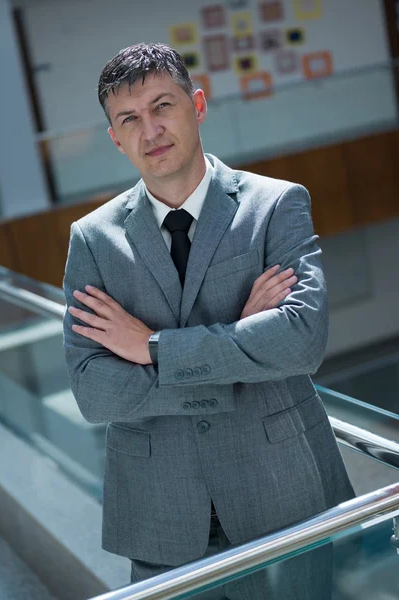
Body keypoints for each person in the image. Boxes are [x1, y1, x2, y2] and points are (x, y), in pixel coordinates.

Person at [63, 42, 355, 599]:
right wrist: (242, 344)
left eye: (162, 106)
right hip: (158, 515)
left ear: (197, 105)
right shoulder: (93, 241)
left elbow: (300, 342)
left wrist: (150, 347)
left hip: (281, 498)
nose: (150, 129)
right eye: (130, 118)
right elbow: (94, 392)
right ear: (115, 139)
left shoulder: (276, 205)